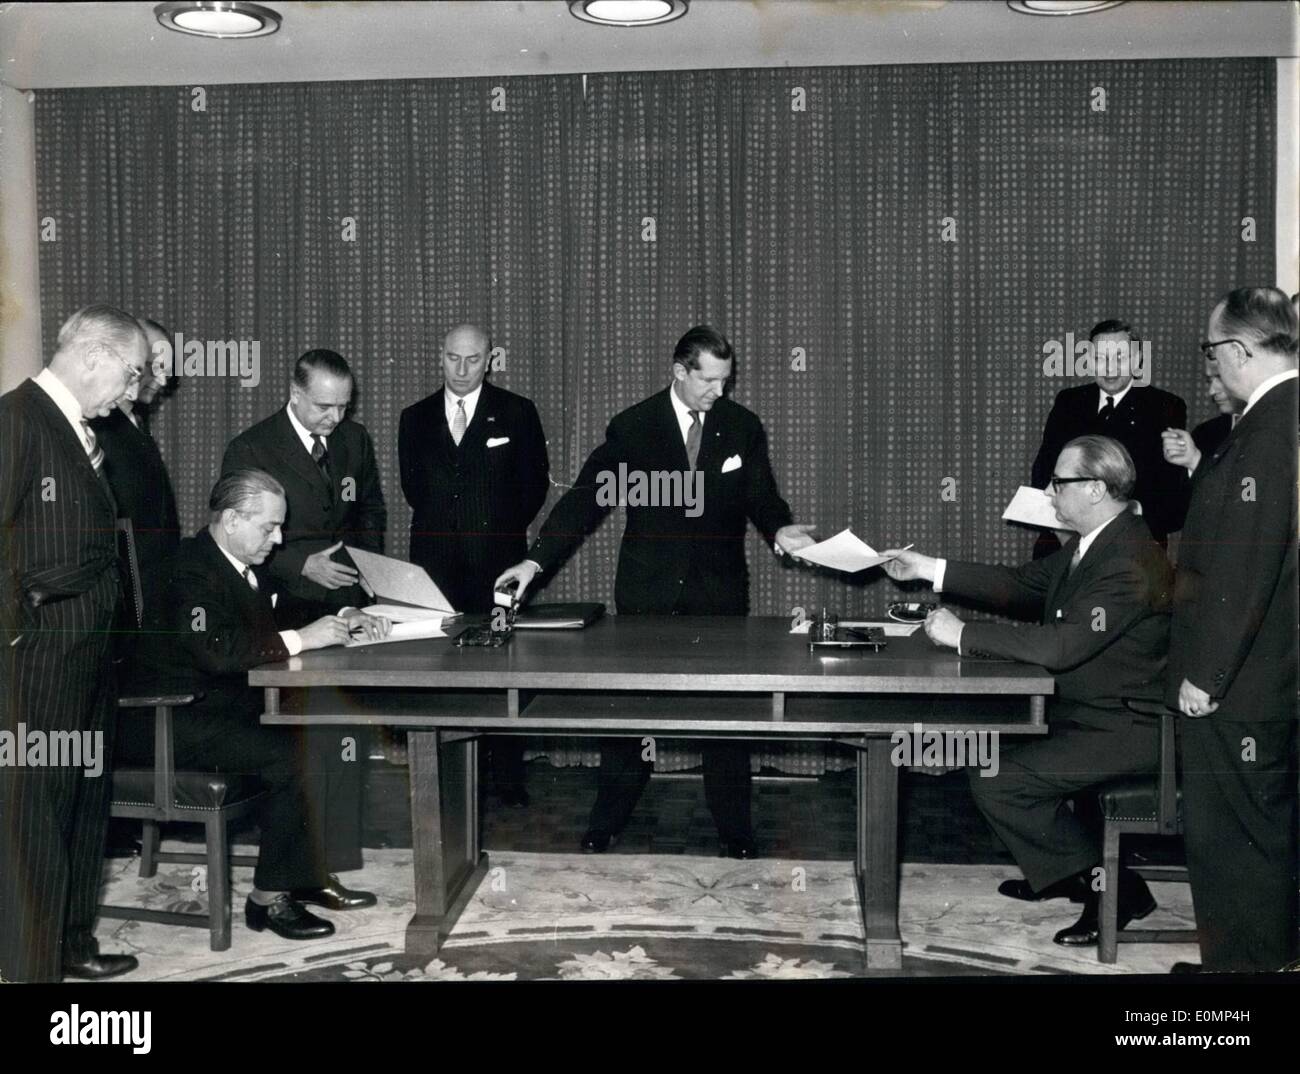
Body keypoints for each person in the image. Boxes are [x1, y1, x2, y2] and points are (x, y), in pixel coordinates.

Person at [495, 325, 815, 858]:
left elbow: (762, 497)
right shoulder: (635, 428)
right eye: (709, 381)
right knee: (628, 714)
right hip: (648, 594)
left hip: (720, 597)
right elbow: (583, 502)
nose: (720, 391)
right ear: (679, 372)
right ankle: (608, 820)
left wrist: (780, 529)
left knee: (727, 719)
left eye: (725, 380)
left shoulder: (742, 428)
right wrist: (534, 561)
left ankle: (735, 829)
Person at [883, 435, 1174, 947]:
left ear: (1096, 489)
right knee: (984, 751)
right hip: (1089, 711)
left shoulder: (1128, 559)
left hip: (1130, 725)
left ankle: (1113, 889)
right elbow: (1021, 586)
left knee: (999, 778)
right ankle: (1067, 871)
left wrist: (963, 635)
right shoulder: (1095, 543)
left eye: (1059, 483)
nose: (1048, 492)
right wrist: (929, 568)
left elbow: (1061, 646)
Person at [116, 470, 390, 940]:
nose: (278, 538)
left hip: (217, 708)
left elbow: (276, 612)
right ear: (231, 520)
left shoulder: (237, 563)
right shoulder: (190, 569)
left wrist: (342, 615)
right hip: (170, 718)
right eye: (269, 528)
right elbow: (217, 647)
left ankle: (305, 874)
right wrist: (304, 639)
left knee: (336, 730)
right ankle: (268, 899)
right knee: (290, 754)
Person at [0, 304, 147, 981]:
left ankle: (69, 945)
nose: (135, 391)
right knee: (34, 824)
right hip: (37, 664)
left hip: (89, 659)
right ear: (94, 354)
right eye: (133, 373)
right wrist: (19, 641)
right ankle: (31, 970)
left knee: (83, 812)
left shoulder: (79, 428)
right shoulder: (16, 420)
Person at [1166, 286, 1298, 973]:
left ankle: (1241, 976)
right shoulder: (1281, 418)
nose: (1212, 366)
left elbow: (1248, 569)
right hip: (1268, 670)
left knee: (1234, 832)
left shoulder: (1269, 429)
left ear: (1241, 348)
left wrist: (1205, 676)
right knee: (1259, 827)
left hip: (1239, 681)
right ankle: (1255, 962)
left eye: (1214, 350)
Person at [399, 324, 548, 806]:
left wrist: (494, 533)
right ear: (439, 357)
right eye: (452, 359)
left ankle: (506, 778)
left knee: (504, 665)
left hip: (500, 566)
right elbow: (413, 490)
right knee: (438, 666)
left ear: (489, 360)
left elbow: (534, 489)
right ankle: (439, 776)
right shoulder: (414, 417)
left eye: (473, 359)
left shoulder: (518, 412)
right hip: (434, 567)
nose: (462, 370)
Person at [222, 348, 387, 609]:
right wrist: (301, 565)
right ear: (295, 393)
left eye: (343, 406)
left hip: (350, 593)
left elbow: (369, 509)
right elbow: (236, 534)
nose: (336, 418)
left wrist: (369, 565)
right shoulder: (251, 448)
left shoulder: (356, 439)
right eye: (324, 407)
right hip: (285, 596)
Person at [1032, 319, 1188, 554]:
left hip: (1131, 543)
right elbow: (1043, 470)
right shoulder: (1069, 402)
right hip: (1065, 537)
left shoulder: (1165, 406)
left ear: (1137, 361)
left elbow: (1169, 490)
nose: (1109, 367)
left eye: (1120, 358)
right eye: (1100, 358)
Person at [91, 317, 181, 654]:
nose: (163, 379)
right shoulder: (98, 428)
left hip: (154, 597)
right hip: (129, 607)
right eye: (156, 367)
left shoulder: (134, 421)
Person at [1159, 352, 1244, 475]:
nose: (1212, 391)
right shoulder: (1204, 433)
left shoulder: (1273, 427)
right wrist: (1191, 462)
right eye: (1210, 380)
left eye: (1220, 378)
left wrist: (1196, 461)